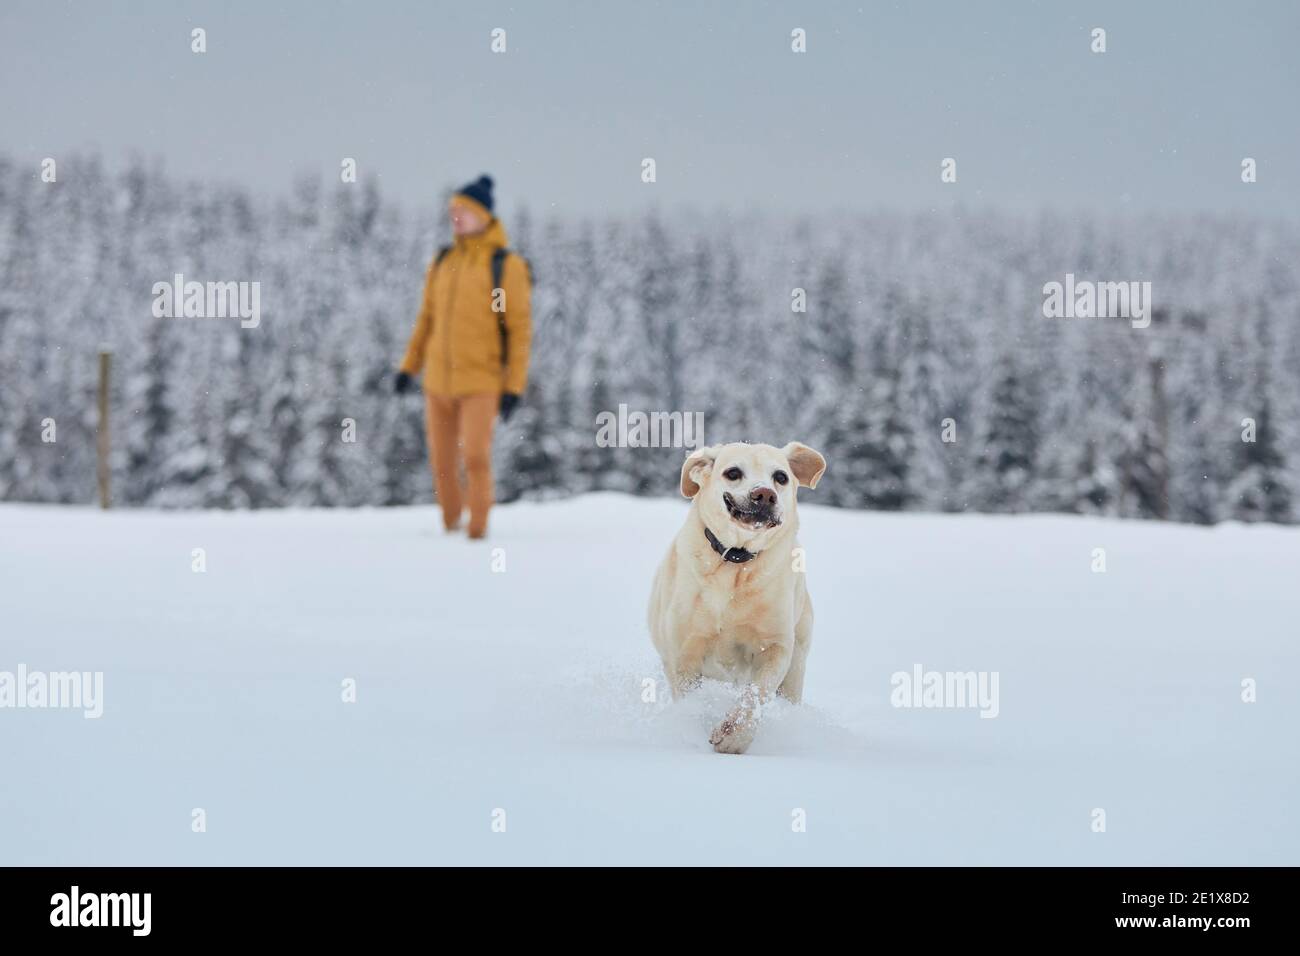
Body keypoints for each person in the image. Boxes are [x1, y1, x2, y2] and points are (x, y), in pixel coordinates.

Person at [395, 175, 532, 539]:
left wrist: (513, 386)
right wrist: (409, 367)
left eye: (464, 211)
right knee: (441, 461)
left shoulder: (506, 266)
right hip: (438, 381)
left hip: (482, 381)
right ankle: (450, 524)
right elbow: (426, 319)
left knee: (474, 456)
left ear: (484, 216)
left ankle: (477, 531)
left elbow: (519, 331)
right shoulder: (442, 261)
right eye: (453, 210)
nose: (456, 217)